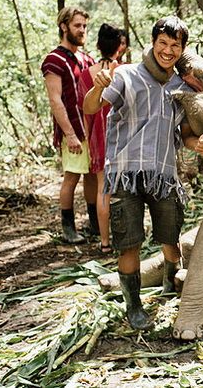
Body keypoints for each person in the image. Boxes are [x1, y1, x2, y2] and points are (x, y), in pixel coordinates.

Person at [84, 16, 203, 330]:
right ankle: (134, 306)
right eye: (163, 43)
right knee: (130, 244)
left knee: (170, 239)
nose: (168, 50)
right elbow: (90, 108)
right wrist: (96, 87)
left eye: (175, 45)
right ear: (154, 42)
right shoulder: (126, 74)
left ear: (182, 48)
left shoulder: (182, 86)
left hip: (164, 173)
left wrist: (197, 143)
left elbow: (183, 134)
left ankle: (170, 286)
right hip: (125, 173)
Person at [42, 6, 98, 244]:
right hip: (73, 131)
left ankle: (95, 224)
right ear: (64, 27)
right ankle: (68, 228)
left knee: (93, 176)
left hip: (92, 130)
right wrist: (70, 134)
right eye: (77, 26)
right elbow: (55, 100)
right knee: (72, 177)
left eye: (84, 26)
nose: (82, 30)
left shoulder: (87, 59)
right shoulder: (53, 60)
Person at [78, 24, 128, 253]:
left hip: (98, 136)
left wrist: (88, 139)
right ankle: (127, 237)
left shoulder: (87, 73)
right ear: (120, 46)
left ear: (98, 45)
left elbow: (85, 108)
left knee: (103, 189)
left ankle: (105, 242)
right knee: (128, 187)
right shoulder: (126, 70)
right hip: (124, 134)